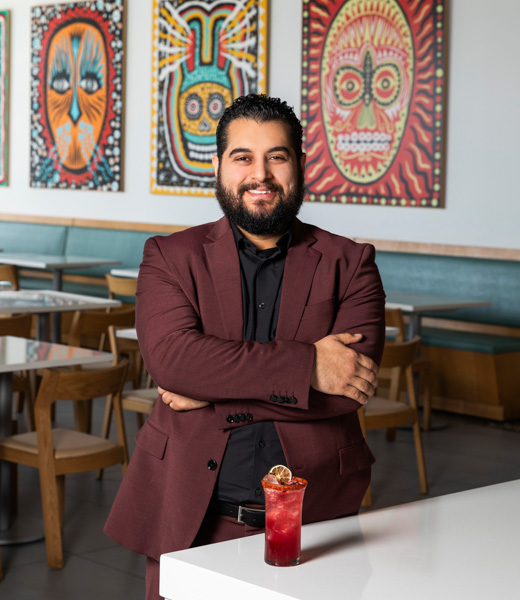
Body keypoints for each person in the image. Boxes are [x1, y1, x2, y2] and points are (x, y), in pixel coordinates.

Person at [104, 94, 386, 599]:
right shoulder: (170, 257)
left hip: (318, 522)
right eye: (243, 157)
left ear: (299, 165)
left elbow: (346, 388)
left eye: (277, 156)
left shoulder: (352, 262)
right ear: (217, 165)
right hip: (192, 514)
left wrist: (211, 389)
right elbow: (172, 362)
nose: (261, 173)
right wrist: (307, 368)